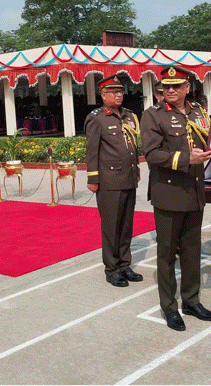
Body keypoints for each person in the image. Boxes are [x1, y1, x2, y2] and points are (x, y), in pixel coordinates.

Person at [141, 65, 211, 331]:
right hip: (169, 192)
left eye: (176, 86)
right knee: (166, 254)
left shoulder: (198, 113)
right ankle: (169, 307)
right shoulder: (153, 115)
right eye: (166, 87)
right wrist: (187, 159)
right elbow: (152, 154)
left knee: (192, 250)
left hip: (195, 190)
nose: (170, 91)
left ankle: (191, 300)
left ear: (187, 88)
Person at [84, 75, 143, 288]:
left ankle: (125, 264)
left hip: (128, 177)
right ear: (103, 95)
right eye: (113, 92)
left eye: (120, 92)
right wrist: (93, 178)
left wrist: (135, 169)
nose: (118, 95)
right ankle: (112, 268)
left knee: (126, 226)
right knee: (111, 226)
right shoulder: (97, 118)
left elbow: (133, 145)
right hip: (109, 180)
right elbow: (92, 151)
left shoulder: (128, 116)